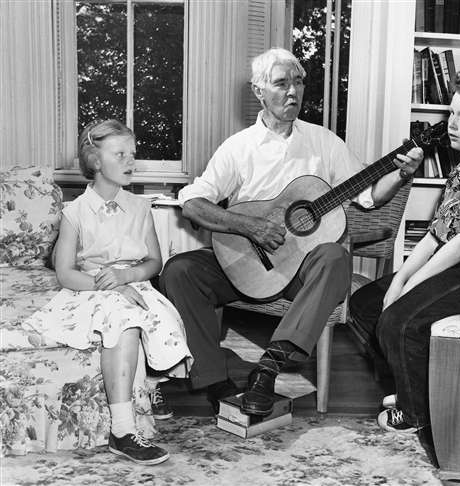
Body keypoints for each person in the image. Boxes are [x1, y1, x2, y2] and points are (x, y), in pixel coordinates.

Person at [159, 47, 424, 417]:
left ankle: (268, 368)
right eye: (281, 83)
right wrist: (250, 225)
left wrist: (401, 173)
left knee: (334, 257)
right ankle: (214, 382)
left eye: (298, 82)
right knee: (179, 271)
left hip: (301, 273)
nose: (293, 92)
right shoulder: (238, 148)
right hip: (248, 264)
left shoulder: (323, 142)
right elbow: (193, 203)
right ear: (259, 92)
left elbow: (368, 197)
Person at [349, 71, 460, 434]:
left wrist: (411, 284)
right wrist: (399, 278)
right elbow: (436, 235)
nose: (452, 123)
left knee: (400, 320)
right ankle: (404, 388)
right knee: (366, 304)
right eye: (451, 113)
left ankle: (414, 414)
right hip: (457, 260)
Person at [25, 119, 193, 465]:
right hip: (89, 289)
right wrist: (110, 285)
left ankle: (149, 387)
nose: (131, 161)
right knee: (124, 319)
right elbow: (66, 273)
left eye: (133, 154)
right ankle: (122, 430)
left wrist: (127, 276)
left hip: (132, 283)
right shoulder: (75, 212)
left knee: (163, 318)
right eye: (121, 154)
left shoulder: (140, 208)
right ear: (96, 161)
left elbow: (154, 262)